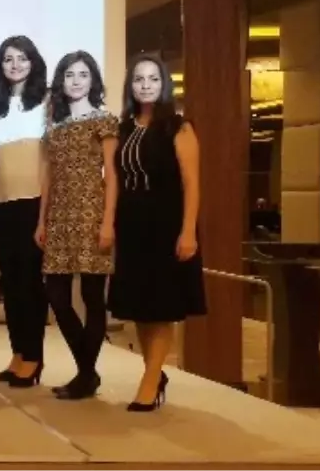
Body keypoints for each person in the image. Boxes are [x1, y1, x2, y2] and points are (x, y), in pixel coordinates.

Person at [109, 53, 204, 412]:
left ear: (164, 84)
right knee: (139, 305)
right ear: (130, 86)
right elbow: (115, 180)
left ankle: (150, 380)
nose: (145, 85)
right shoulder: (124, 128)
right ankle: (154, 372)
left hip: (166, 224)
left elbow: (192, 184)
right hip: (131, 224)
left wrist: (188, 231)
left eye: (153, 79)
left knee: (161, 306)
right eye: (139, 79)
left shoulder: (178, 127)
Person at [36, 51, 118, 399]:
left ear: (93, 80)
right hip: (59, 217)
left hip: (91, 214)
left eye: (83, 74)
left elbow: (112, 174)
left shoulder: (104, 120)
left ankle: (85, 376)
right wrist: (41, 220)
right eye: (70, 75)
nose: (76, 81)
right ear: (61, 80)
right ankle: (88, 371)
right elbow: (48, 177)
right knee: (56, 295)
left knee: (91, 297)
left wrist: (108, 221)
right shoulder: (54, 127)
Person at [0, 35, 50, 388]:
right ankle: (18, 352)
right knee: (9, 283)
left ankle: (34, 357)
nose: (15, 65)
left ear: (33, 62)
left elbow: (51, 160)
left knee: (29, 283)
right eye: (8, 59)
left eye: (22, 58)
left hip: (32, 201)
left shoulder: (47, 102)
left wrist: (44, 213)